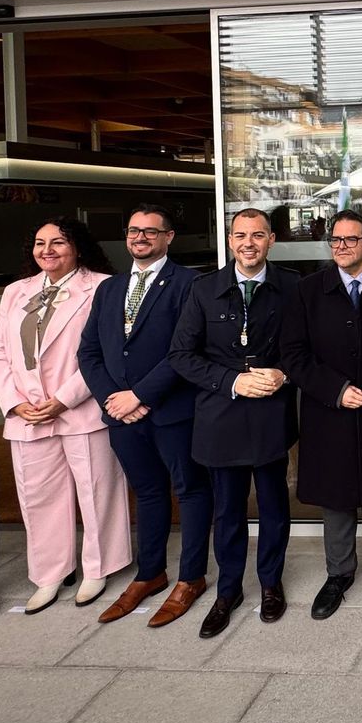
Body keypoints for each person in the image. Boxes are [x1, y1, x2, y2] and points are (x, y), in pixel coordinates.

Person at [78, 204, 213, 629]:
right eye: (134, 230)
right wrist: (113, 399)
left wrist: (140, 395)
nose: (140, 237)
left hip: (172, 411)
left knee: (190, 491)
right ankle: (150, 573)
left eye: (151, 231)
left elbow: (186, 349)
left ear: (168, 237)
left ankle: (191, 578)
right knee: (149, 493)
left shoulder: (190, 283)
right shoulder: (110, 288)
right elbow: (89, 351)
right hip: (122, 416)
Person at [0, 217, 131, 616]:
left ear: (78, 247)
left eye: (58, 242)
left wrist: (65, 399)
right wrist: (14, 402)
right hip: (27, 412)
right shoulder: (17, 291)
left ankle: (99, 567)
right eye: (40, 242)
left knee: (97, 489)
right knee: (38, 496)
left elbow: (107, 352)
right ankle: (50, 573)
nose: (47, 250)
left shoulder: (103, 287)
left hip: (81, 408)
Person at [169, 208, 297, 638]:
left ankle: (271, 583)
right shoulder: (204, 289)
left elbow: (307, 348)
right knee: (227, 511)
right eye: (240, 235)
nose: (248, 244)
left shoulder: (292, 287)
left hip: (271, 412)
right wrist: (232, 381)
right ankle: (228, 591)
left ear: (271, 240)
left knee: (274, 505)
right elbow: (181, 355)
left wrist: (283, 373)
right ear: (230, 241)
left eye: (257, 235)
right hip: (220, 414)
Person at [280, 210, 362, 619]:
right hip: (328, 409)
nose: (341, 246)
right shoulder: (307, 291)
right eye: (335, 240)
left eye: (350, 239)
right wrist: (335, 390)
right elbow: (293, 355)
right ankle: (338, 573)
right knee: (334, 493)